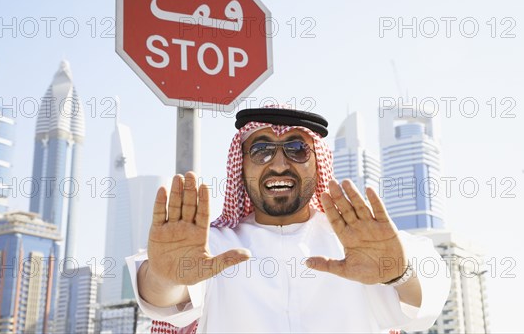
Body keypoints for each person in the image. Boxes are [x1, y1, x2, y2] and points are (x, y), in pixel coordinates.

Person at [127, 107, 450, 333]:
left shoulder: (364, 243)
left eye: (297, 148)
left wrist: (398, 275)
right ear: (241, 166)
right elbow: (162, 299)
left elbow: (424, 302)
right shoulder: (210, 246)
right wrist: (166, 276)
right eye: (261, 149)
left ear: (318, 164)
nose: (279, 164)